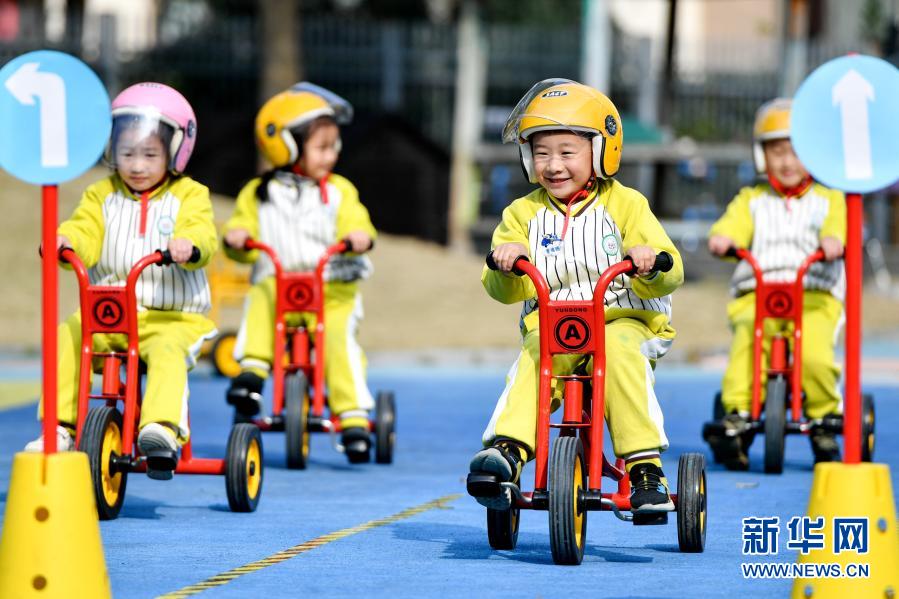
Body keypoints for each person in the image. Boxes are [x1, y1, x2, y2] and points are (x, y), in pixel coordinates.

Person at [468, 79, 684, 513]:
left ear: (602, 151)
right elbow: (501, 290)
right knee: (535, 356)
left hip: (625, 319)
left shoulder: (627, 206)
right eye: (541, 152)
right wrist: (505, 262)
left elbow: (671, 270)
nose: (553, 165)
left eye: (567, 152)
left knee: (620, 353)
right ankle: (509, 448)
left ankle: (643, 466)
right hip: (557, 325)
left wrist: (649, 259)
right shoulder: (522, 214)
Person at [26, 82, 218, 478]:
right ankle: (59, 427)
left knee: (167, 352)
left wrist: (189, 245)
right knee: (67, 332)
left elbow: (203, 234)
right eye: (127, 152)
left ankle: (160, 428)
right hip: (109, 312)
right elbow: (86, 231)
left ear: (177, 150)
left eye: (150, 154)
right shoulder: (101, 195)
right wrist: (67, 241)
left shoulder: (190, 196)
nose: (137, 165)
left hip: (172, 317)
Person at [222, 83, 377, 463]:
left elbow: (359, 225)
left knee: (339, 339)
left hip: (331, 288)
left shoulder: (339, 191)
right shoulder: (259, 193)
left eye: (335, 146)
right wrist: (237, 238)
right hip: (281, 284)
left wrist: (359, 237)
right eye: (323, 147)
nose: (332, 155)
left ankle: (353, 415)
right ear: (287, 147)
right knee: (261, 298)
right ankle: (252, 373)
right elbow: (240, 234)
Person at [703, 98, 846, 469]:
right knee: (747, 341)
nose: (786, 162)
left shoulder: (829, 200)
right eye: (777, 152)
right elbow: (730, 226)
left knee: (814, 351)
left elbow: (839, 229)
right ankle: (737, 412)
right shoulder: (752, 200)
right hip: (759, 293)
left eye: (797, 152)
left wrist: (834, 242)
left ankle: (824, 419)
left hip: (812, 292)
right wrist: (724, 239)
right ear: (761, 155)